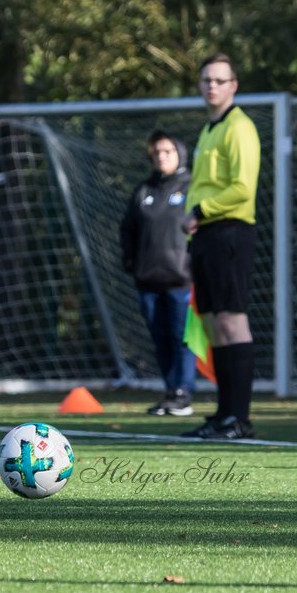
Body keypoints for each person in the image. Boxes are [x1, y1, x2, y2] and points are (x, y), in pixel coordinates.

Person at [179, 53, 260, 440]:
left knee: (232, 321)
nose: (212, 86)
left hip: (230, 231)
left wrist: (200, 209)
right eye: (206, 80)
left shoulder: (239, 127)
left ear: (234, 85)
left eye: (220, 80)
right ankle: (222, 414)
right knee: (212, 325)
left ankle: (240, 419)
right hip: (206, 236)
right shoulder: (210, 128)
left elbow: (243, 188)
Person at [120, 130, 196, 415]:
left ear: (180, 154)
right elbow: (127, 229)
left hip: (182, 278)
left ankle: (183, 391)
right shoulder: (144, 190)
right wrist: (131, 262)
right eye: (157, 152)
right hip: (148, 279)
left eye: (168, 151)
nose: (162, 157)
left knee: (182, 337)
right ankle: (170, 391)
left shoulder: (192, 187)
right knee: (160, 337)